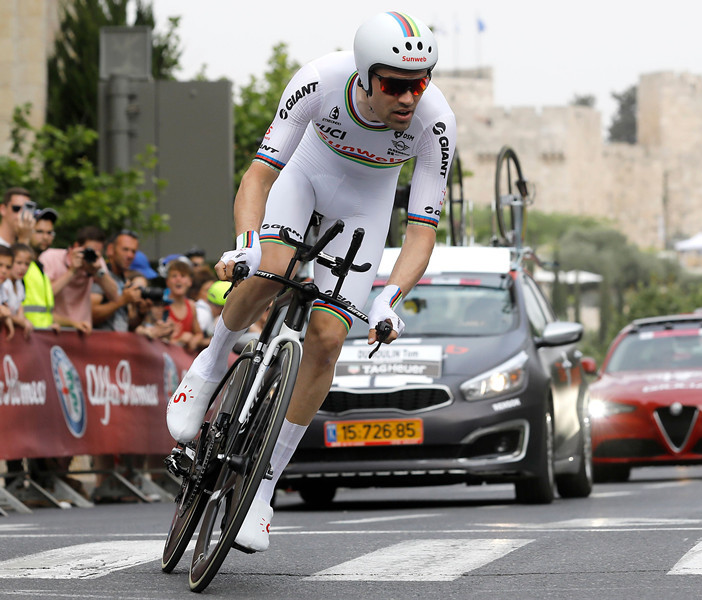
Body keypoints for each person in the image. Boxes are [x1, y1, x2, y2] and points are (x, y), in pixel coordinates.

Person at [165, 11, 456, 553]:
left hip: (366, 206)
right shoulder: (319, 80)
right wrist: (246, 245)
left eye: (419, 84)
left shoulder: (436, 123)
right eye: (394, 85)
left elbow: (421, 231)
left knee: (327, 339)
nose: (408, 98)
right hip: (304, 176)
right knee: (271, 270)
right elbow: (260, 176)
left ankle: (261, 488)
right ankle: (209, 365)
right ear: (365, 76)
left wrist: (390, 299)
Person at [40, 226, 121, 334]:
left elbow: (115, 296)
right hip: (54, 329)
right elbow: (44, 295)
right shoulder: (51, 257)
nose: (92, 255)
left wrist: (99, 272)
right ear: (76, 246)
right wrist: (71, 271)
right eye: (89, 251)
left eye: (97, 252)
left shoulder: (96, 262)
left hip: (82, 331)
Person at [91, 230, 144, 331]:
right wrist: (122, 300)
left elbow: (125, 325)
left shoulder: (124, 280)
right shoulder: (100, 275)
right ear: (110, 249)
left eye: (133, 251)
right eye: (125, 249)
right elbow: (90, 315)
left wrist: (142, 312)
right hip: (100, 340)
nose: (130, 255)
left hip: (119, 340)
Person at [4, 243, 34, 339]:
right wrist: (21, 321)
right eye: (19, 263)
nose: (23, 268)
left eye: (27, 264)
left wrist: (25, 320)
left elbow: (20, 309)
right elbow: (3, 312)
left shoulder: (20, 284)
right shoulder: (4, 284)